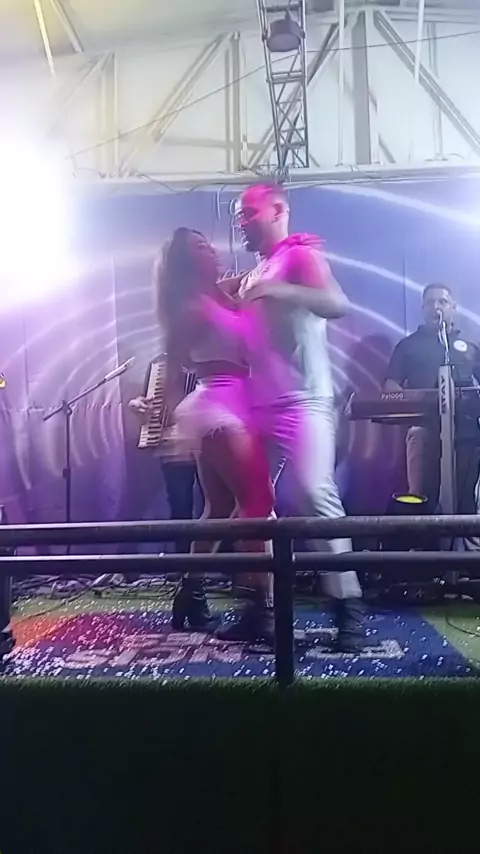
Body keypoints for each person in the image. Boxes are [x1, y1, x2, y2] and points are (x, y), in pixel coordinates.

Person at [222, 183, 366, 652]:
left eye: (249, 213)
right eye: (239, 215)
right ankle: (259, 609)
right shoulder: (255, 272)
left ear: (278, 209)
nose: (241, 222)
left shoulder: (299, 256)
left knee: (312, 493)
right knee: (251, 506)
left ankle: (348, 608)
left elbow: (338, 305)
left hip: (304, 401)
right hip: (256, 403)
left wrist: (277, 289)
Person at [156, 227, 275, 636]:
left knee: (219, 507)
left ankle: (190, 593)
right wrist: (169, 418)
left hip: (239, 400)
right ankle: (258, 606)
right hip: (219, 404)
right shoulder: (191, 306)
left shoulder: (222, 291)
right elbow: (172, 364)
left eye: (208, 243)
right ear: (186, 261)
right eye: (200, 246)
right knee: (257, 501)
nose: (210, 248)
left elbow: (262, 276)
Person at [384, 283, 480, 520]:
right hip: (424, 428)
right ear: (422, 308)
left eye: (442, 302)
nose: (436, 307)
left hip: (466, 432)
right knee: (422, 500)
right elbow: (391, 385)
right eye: (430, 302)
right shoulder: (408, 345)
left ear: (453, 307)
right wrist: (413, 399)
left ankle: (464, 541)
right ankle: (424, 541)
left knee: (465, 501)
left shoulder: (469, 347)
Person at [128, 358, 199, 555]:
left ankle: (224, 565)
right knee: (180, 510)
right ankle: (184, 566)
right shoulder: (160, 364)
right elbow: (145, 399)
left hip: (209, 443)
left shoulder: (212, 355)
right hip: (173, 446)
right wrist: (137, 404)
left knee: (219, 508)